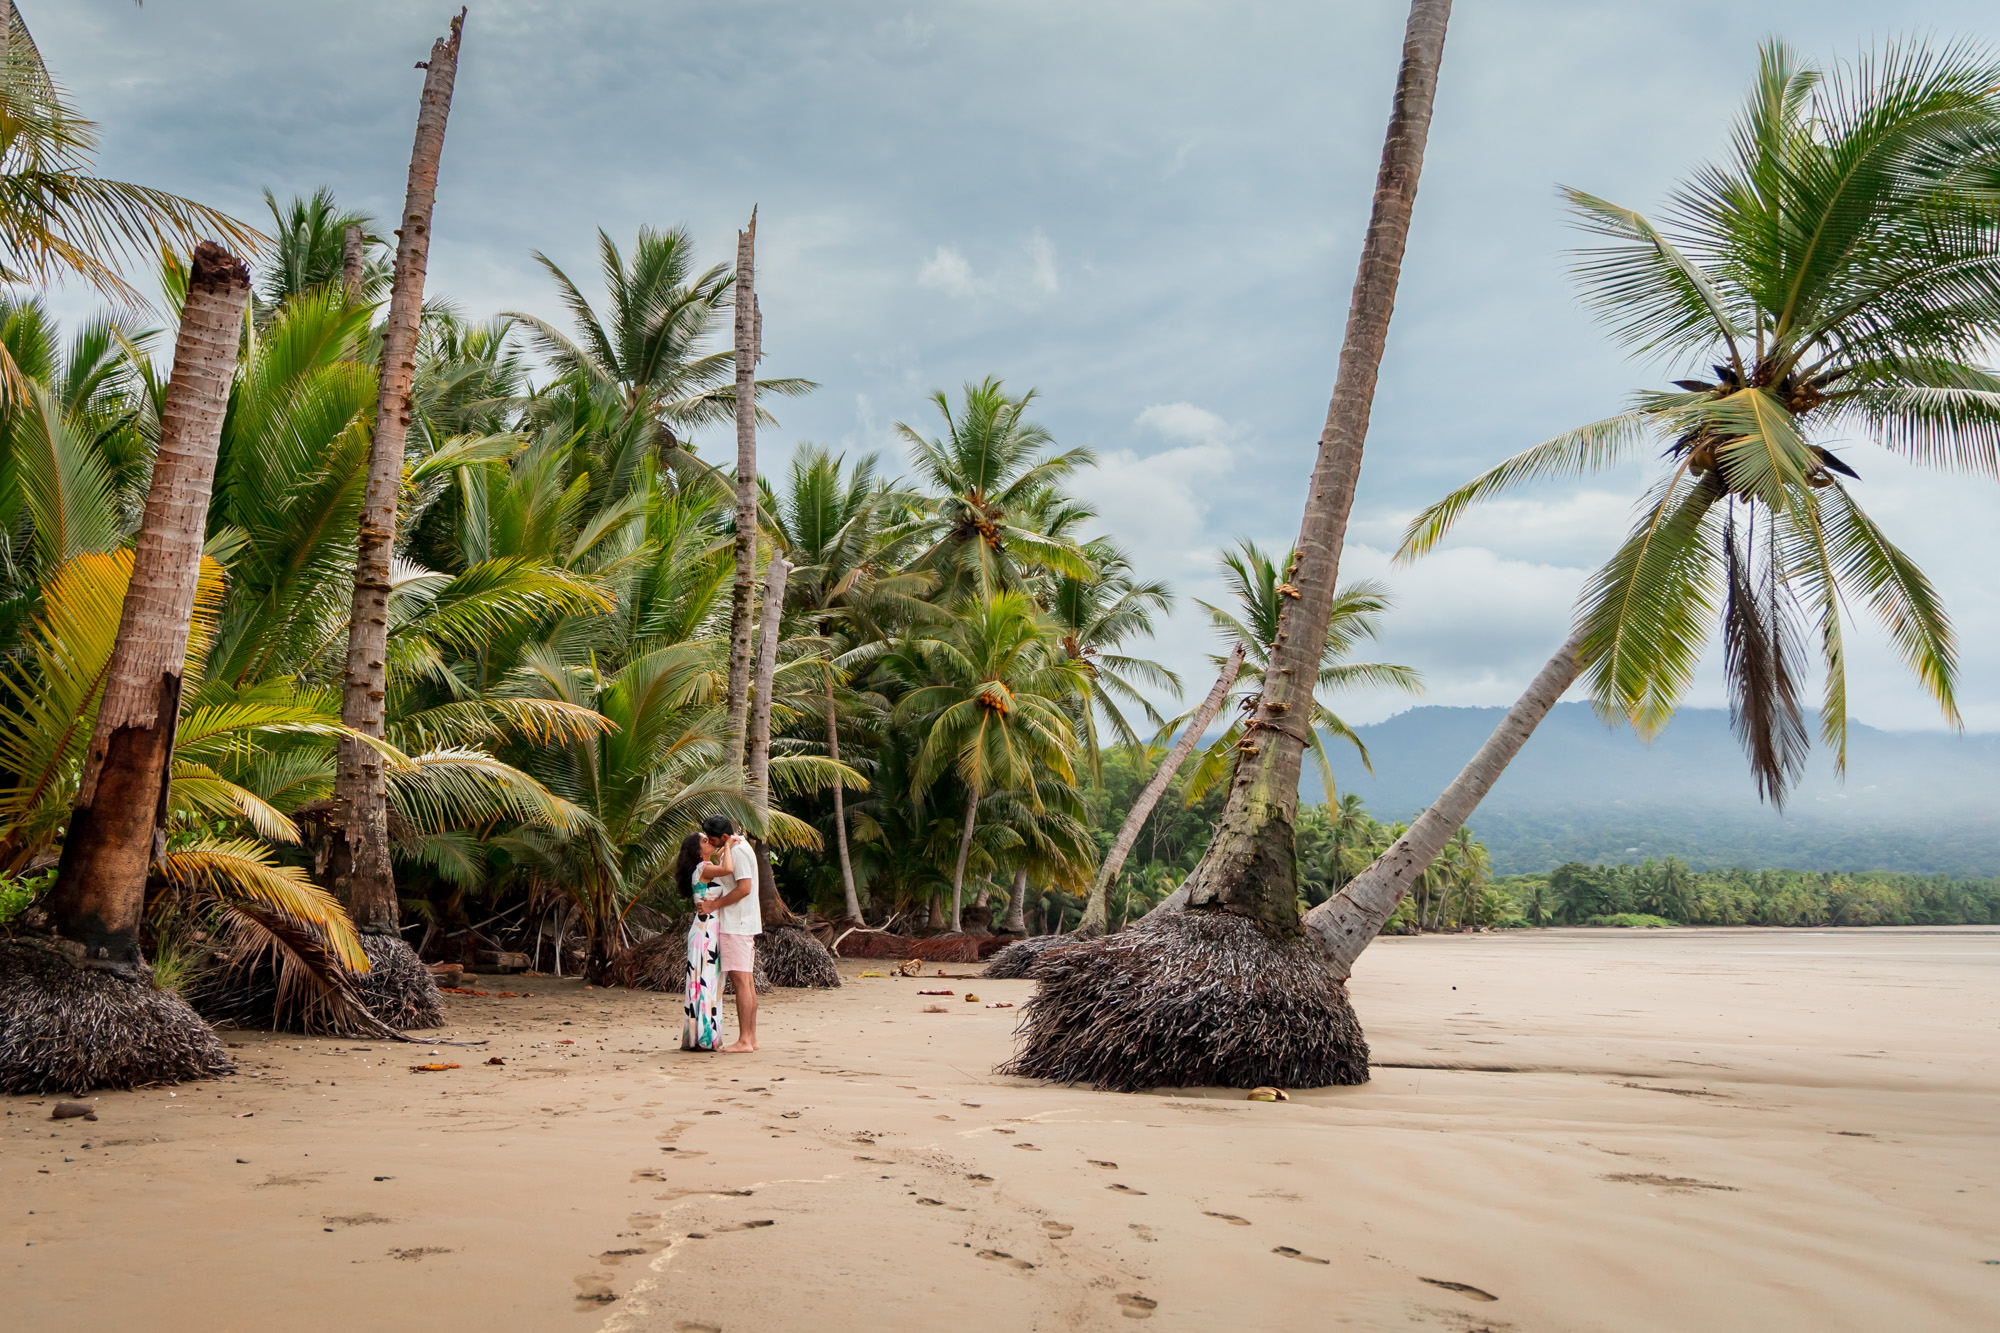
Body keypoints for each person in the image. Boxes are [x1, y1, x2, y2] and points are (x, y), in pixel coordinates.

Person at [697, 814, 760, 1053]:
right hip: (742, 922)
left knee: (741, 981)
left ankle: (745, 1040)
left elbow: (744, 888)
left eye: (713, 840)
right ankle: (750, 1038)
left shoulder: (740, 852)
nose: (710, 844)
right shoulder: (735, 848)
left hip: (737, 923)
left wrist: (714, 905)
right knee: (747, 981)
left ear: (724, 836)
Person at [677, 832, 722, 1051]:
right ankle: (703, 1037)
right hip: (705, 931)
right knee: (704, 982)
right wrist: (729, 845)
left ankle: (702, 1036)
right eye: (706, 840)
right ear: (698, 851)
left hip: (707, 929)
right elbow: (729, 870)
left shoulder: (706, 867)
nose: (711, 842)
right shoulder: (704, 868)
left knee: (707, 982)